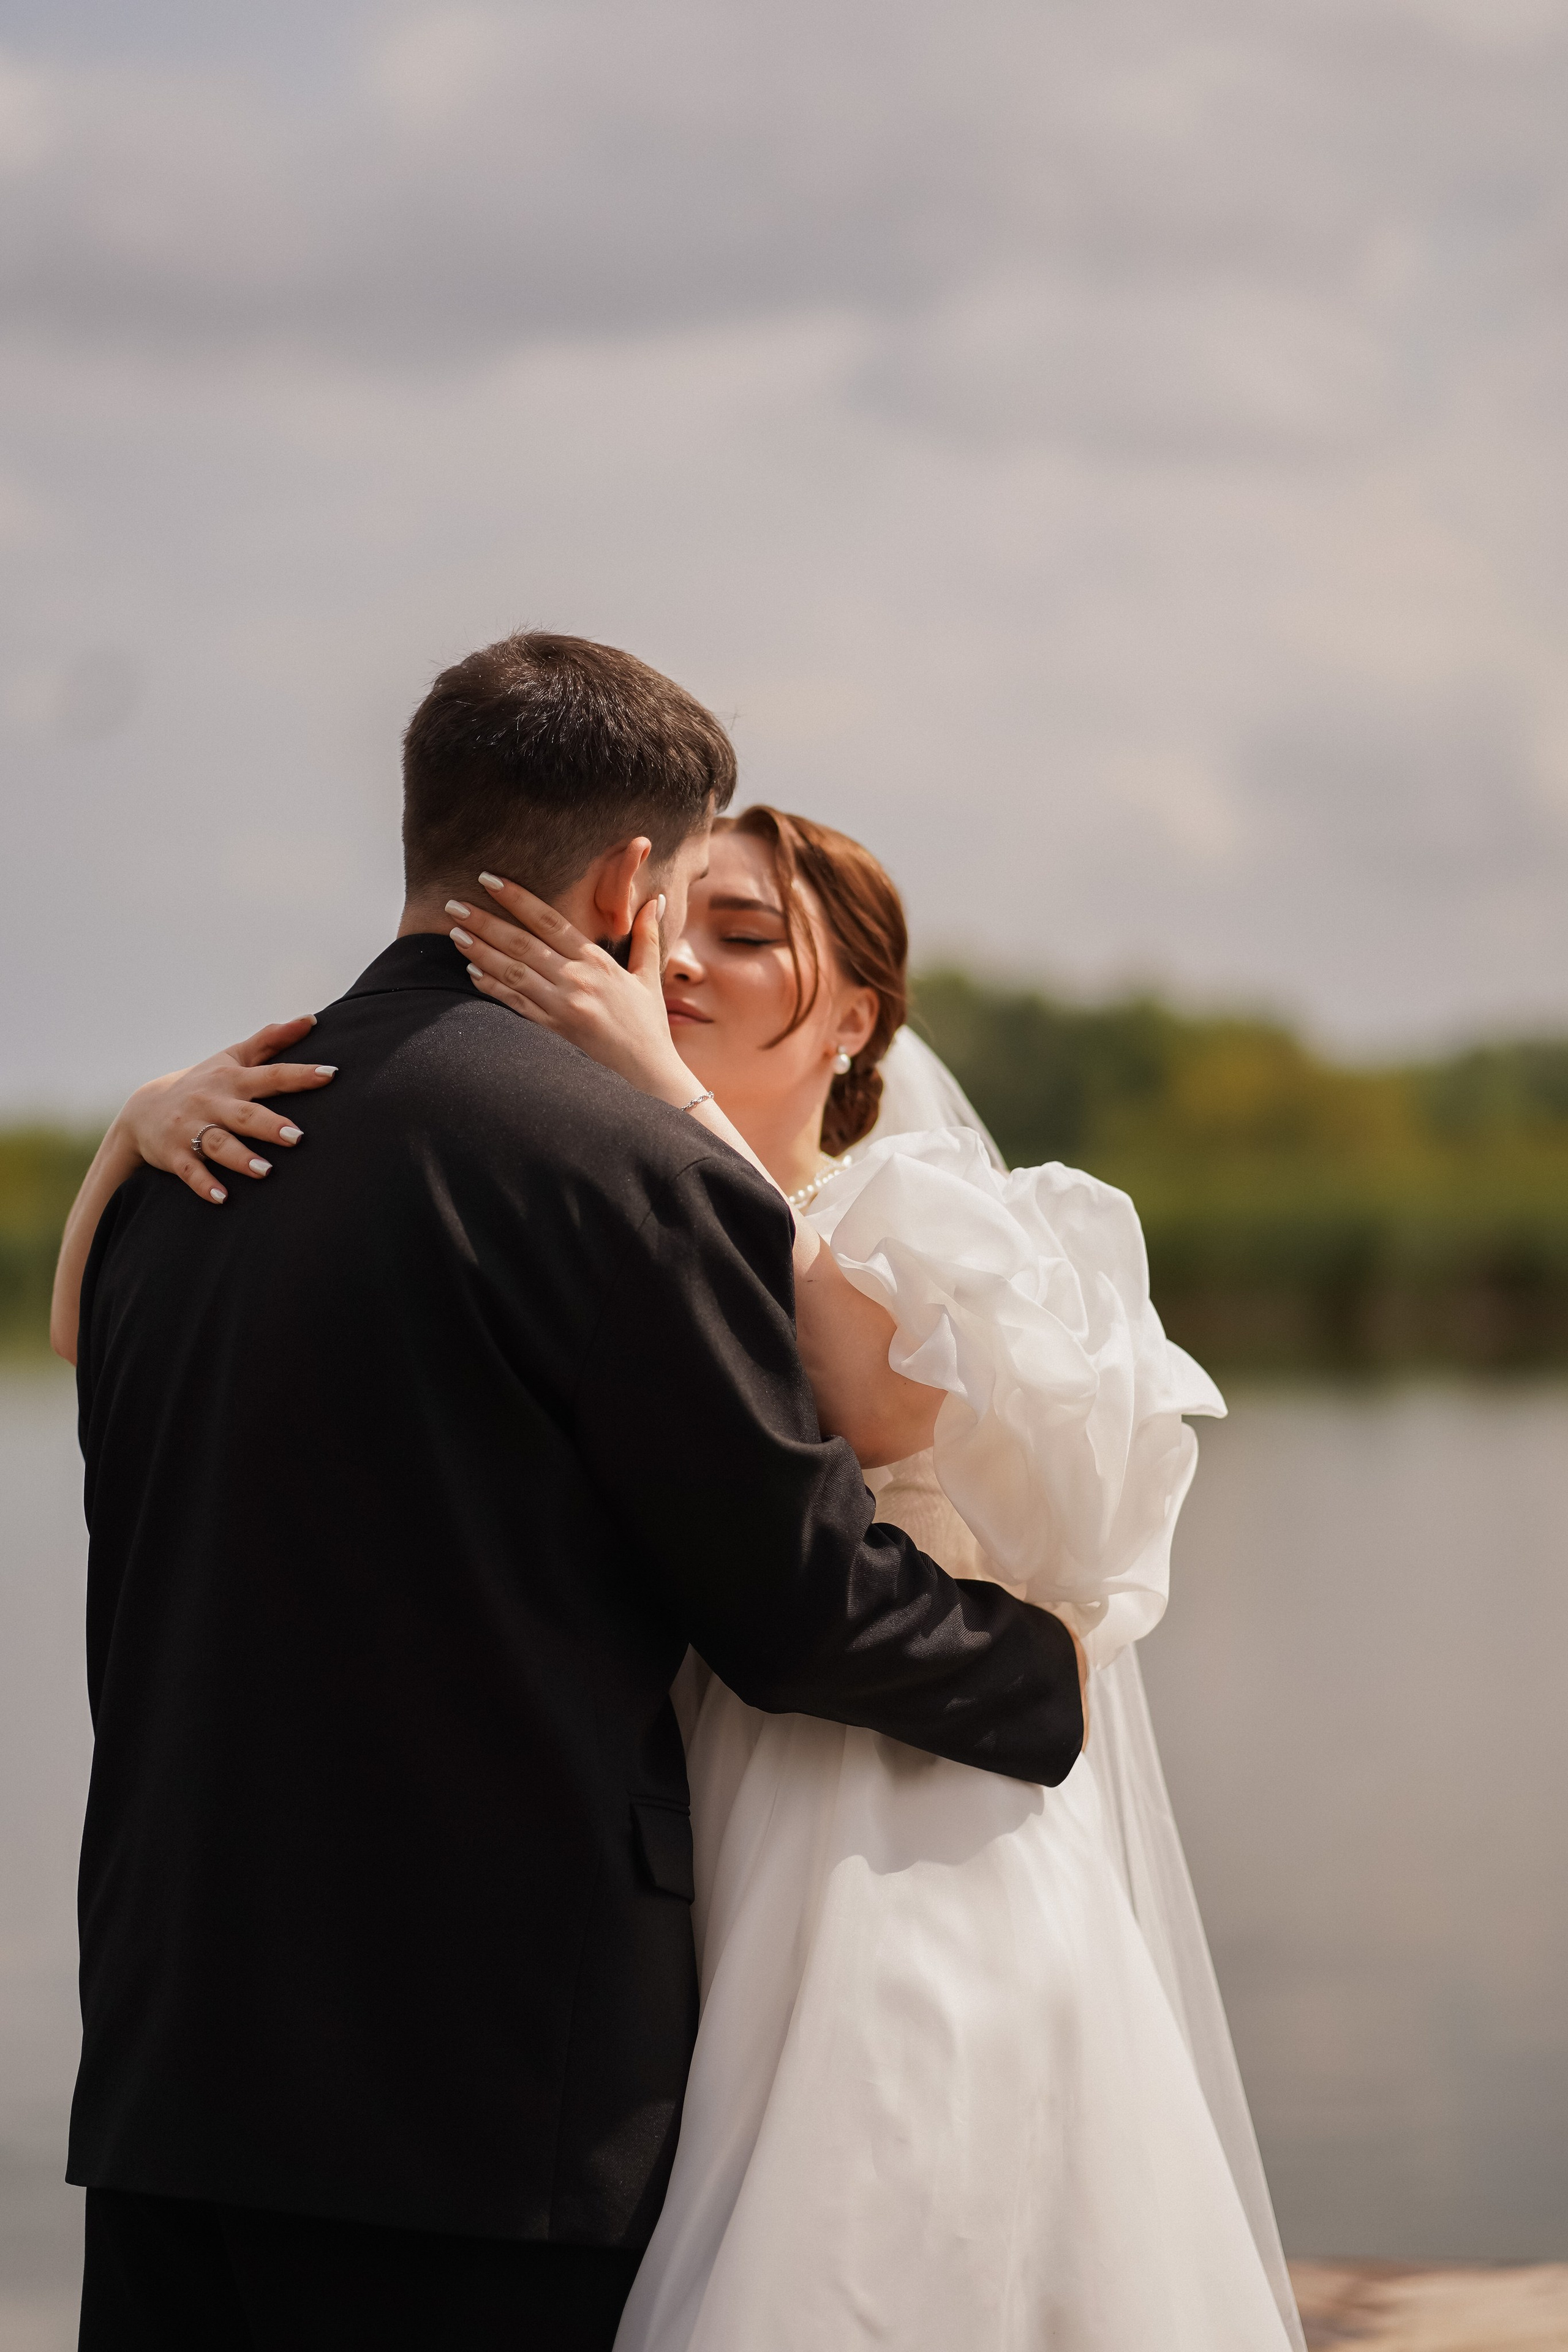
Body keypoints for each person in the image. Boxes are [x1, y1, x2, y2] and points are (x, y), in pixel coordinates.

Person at [50, 635, 1087, 2352]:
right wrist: (1047, 1670)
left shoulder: (189, 1151)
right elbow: (796, 1607)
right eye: (683, 894)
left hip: (170, 2072)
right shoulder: (620, 1167)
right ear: (624, 881)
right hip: (467, 2100)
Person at [417, 804, 1311, 2352]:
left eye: (745, 935)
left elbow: (878, 1400)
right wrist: (140, 1132)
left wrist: (661, 1089)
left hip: (903, 1817)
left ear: (854, 1019)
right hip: (693, 1812)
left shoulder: (926, 1213)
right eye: (664, 926)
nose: (678, 961)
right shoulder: (609, 1208)